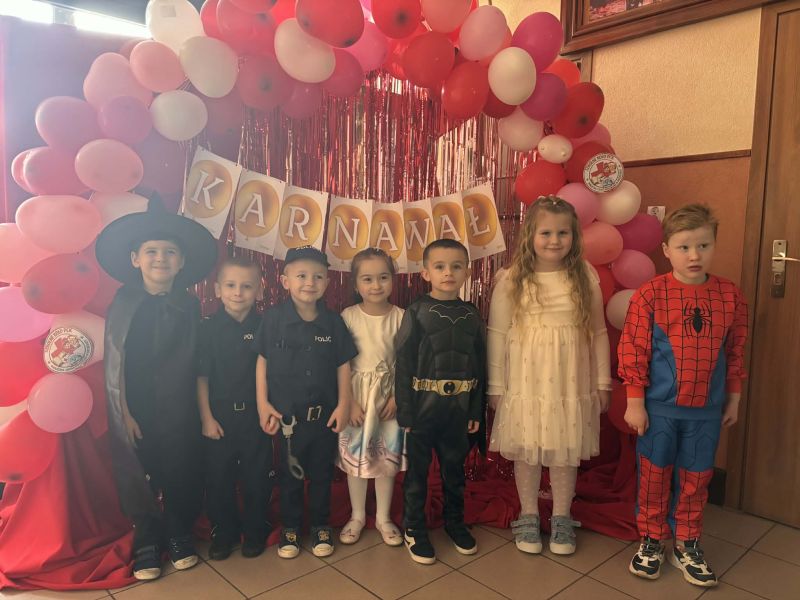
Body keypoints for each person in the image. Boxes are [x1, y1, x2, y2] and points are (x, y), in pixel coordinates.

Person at [619, 204, 747, 588]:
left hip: (706, 412)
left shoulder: (730, 296)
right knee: (653, 476)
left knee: (697, 477)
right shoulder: (650, 295)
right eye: (684, 247)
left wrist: (734, 397)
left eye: (703, 245)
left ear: (714, 246)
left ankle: (687, 543)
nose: (694, 255)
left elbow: (736, 350)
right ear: (667, 250)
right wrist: (635, 402)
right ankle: (651, 540)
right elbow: (634, 349)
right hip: (659, 410)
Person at [95, 193, 217, 581]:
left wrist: (200, 413)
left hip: (180, 406)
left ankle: (179, 531)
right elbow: (115, 366)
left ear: (181, 262)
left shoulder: (190, 305)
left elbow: (199, 361)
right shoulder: (123, 304)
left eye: (169, 252)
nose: (160, 259)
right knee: (140, 470)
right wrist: (125, 413)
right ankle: (147, 539)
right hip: (139, 407)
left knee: (182, 467)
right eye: (151, 251)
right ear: (135, 258)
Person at [488, 196, 611, 557]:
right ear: (530, 235)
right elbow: (496, 334)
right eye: (546, 233)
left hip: (569, 381)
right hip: (526, 380)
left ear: (574, 236)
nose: (554, 240)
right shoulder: (512, 279)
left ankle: (561, 516)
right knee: (527, 448)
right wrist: (496, 386)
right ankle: (528, 513)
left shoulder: (583, 275)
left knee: (563, 449)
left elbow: (598, 332)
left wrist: (603, 382)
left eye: (563, 233)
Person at [253, 246, 357, 559]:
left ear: (327, 282)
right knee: (290, 476)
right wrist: (262, 404)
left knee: (322, 475)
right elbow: (262, 362)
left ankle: (321, 525)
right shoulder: (272, 320)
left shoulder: (334, 322)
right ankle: (291, 527)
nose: (309, 282)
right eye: (301, 276)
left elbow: (343, 365)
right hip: (288, 420)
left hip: (324, 418)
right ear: (285, 281)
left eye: (317, 276)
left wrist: (344, 404)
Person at [395, 239, 487, 565]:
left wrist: (475, 409)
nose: (448, 273)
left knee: (454, 471)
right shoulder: (416, 312)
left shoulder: (472, 314)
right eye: (440, 266)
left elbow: (479, 364)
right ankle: (413, 527)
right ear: (426, 273)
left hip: (458, 408)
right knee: (417, 474)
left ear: (467, 272)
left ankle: (454, 522)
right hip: (423, 407)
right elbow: (403, 363)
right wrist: (405, 411)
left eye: (456, 266)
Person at [197, 256, 273, 561]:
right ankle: (224, 531)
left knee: (257, 476)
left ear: (260, 290)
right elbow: (201, 377)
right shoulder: (207, 328)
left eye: (246, 286)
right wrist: (206, 418)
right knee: (218, 477)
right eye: (230, 285)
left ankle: (255, 528)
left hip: (256, 416)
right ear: (217, 289)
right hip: (219, 416)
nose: (238, 292)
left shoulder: (266, 326)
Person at [337, 248, 405, 548]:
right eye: (367, 279)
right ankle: (357, 515)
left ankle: (383, 517)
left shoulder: (401, 317)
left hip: (388, 397)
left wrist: (397, 397)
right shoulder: (348, 316)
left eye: (383, 277)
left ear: (393, 279)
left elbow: (407, 362)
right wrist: (349, 402)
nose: (376, 285)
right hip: (357, 396)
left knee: (385, 460)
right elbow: (341, 362)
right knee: (357, 458)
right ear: (355, 284)